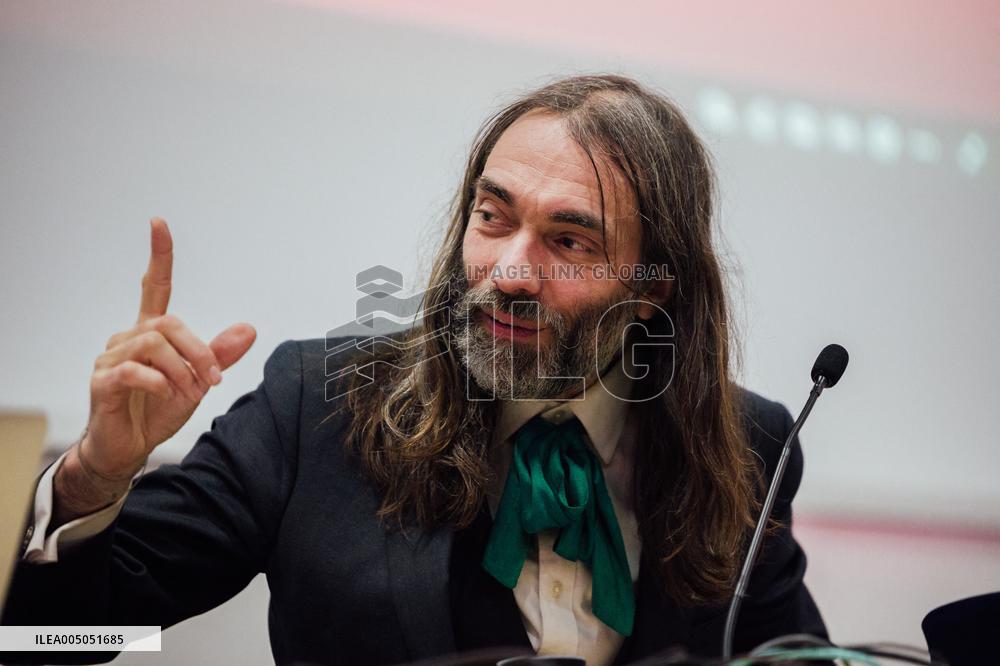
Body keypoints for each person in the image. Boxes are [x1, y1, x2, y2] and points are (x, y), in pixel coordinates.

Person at [2, 74, 827, 665]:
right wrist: (93, 478)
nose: (508, 270)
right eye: (492, 217)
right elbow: (51, 642)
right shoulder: (318, 406)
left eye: (570, 242)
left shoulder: (748, 443)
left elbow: (789, 654)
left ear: (653, 292)